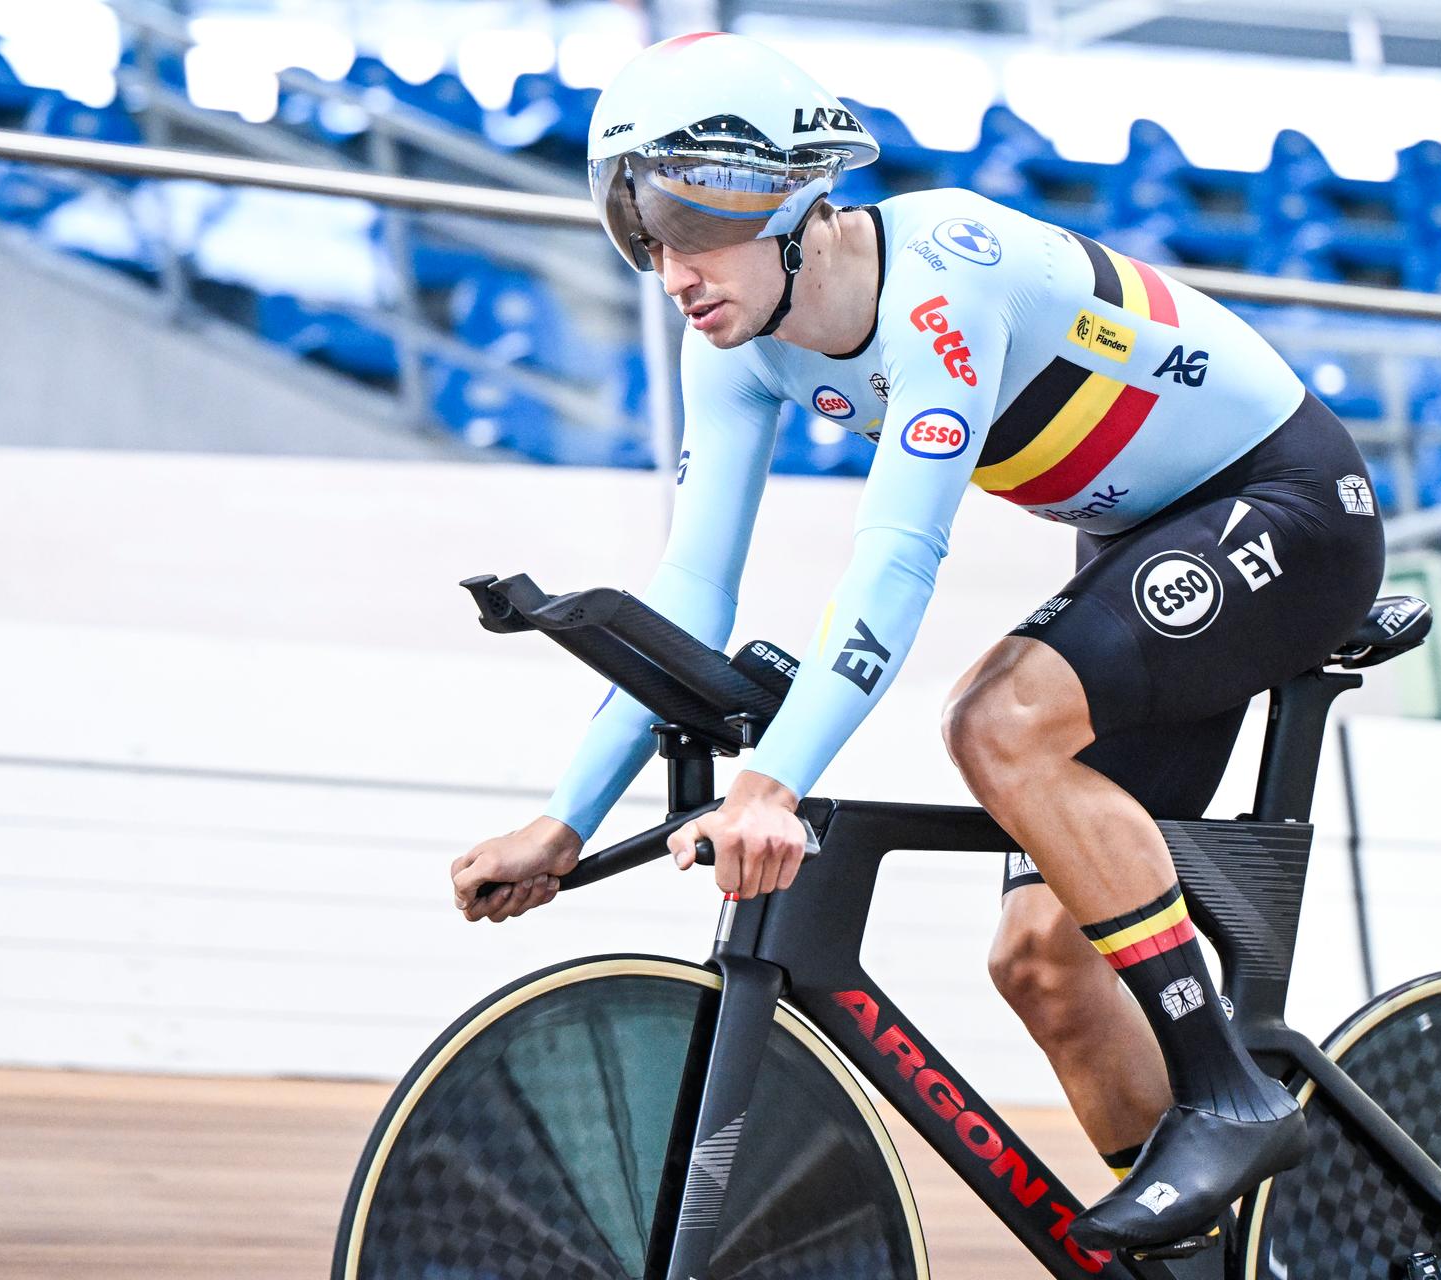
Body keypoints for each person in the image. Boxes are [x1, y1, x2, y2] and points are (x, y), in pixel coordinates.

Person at [448, 31, 1384, 1256]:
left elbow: (895, 559)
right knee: (1045, 961)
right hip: (1136, 537)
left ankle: (1229, 1090)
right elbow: (690, 590)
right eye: (646, 240)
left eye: (694, 227)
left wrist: (772, 784)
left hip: (1288, 503)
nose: (673, 272)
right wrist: (563, 819)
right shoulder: (734, 341)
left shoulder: (945, 280)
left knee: (998, 721)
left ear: (798, 198)